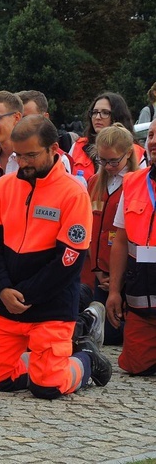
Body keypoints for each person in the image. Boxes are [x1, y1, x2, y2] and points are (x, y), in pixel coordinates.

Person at [0, 114, 111, 399]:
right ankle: (41, 364)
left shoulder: (73, 193)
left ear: (53, 150)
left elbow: (69, 261)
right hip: (8, 302)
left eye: (31, 155)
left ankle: (85, 360)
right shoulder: (4, 187)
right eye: (18, 155)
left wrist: (24, 295)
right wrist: (1, 289)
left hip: (51, 304)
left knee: (47, 387)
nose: (23, 162)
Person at [106, 119, 156, 376]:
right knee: (134, 366)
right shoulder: (134, 182)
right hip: (142, 306)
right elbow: (121, 240)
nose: (153, 141)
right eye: (150, 135)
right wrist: (114, 291)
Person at [86, 124, 138, 345]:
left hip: (126, 278)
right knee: (100, 334)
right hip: (99, 274)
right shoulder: (94, 183)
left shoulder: (134, 184)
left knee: (115, 335)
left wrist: (118, 280)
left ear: (128, 154)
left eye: (113, 161)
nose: (107, 166)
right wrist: (97, 270)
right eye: (102, 160)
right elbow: (88, 229)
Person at [70, 92, 143, 180]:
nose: (97, 117)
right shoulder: (77, 146)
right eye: (94, 112)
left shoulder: (135, 151)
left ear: (117, 116)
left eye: (105, 113)